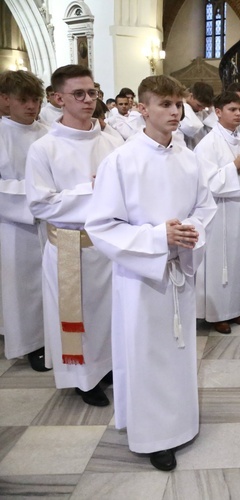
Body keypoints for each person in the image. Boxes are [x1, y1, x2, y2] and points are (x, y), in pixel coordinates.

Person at [85, 75, 216, 472]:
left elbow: (205, 208)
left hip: (179, 270)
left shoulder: (189, 157)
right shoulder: (122, 160)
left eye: (178, 104)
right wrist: (160, 236)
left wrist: (191, 231)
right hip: (142, 276)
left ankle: (180, 422)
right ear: (143, 108)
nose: (175, 112)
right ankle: (153, 435)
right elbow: (102, 225)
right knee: (145, 355)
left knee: (177, 353)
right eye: (165, 104)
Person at [25, 64, 121, 406]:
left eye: (92, 92)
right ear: (58, 98)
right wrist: (93, 190)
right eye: (78, 94)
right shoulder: (44, 148)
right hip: (70, 247)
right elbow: (41, 203)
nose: (87, 99)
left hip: (110, 245)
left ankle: (107, 366)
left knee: (109, 313)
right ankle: (83, 379)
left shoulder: (113, 141)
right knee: (77, 317)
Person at [194, 91, 240, 334]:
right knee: (221, 263)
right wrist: (235, 166)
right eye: (232, 109)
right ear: (218, 112)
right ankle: (217, 314)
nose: (238, 114)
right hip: (219, 210)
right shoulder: (207, 144)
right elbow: (206, 182)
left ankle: (238, 308)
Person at [0, 70, 49, 371]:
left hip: (50, 221)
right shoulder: (2, 133)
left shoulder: (48, 132)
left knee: (47, 284)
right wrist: (36, 196)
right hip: (13, 224)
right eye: (23, 100)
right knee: (21, 287)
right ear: (5, 100)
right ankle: (29, 343)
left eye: (36, 100)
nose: (32, 106)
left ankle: (50, 340)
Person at [179, 82, 213, 149]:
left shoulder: (203, 111)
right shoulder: (182, 108)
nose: (200, 109)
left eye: (203, 107)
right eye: (199, 105)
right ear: (191, 96)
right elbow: (191, 127)